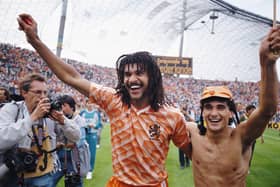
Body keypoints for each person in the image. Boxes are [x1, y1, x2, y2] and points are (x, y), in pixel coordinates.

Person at [18, 14, 190, 187]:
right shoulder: (114, 100)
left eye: (139, 73)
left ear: (152, 77)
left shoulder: (172, 116)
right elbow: (71, 77)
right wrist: (35, 40)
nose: (132, 79)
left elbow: (195, 155)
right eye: (127, 74)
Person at [185, 25, 280, 187]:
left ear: (230, 113)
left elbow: (267, 110)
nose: (214, 113)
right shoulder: (191, 132)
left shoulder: (242, 136)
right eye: (208, 107)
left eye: (221, 107)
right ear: (202, 112)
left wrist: (267, 64)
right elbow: (160, 121)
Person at [0, 73, 80, 187]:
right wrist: (33, 117)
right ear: (24, 92)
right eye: (38, 92)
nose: (43, 96)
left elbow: (76, 136)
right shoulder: (11, 109)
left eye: (45, 92)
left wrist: (63, 121)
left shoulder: (50, 114)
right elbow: (1, 140)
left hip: (44, 176)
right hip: (13, 177)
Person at [53, 95, 90, 187]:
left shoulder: (80, 120)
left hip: (74, 159)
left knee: (74, 183)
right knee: (48, 182)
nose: (62, 108)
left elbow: (79, 142)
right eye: (60, 106)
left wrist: (61, 144)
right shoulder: (56, 119)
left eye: (64, 105)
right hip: (58, 158)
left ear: (72, 107)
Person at [79, 101, 101, 180]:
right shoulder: (82, 113)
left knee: (92, 153)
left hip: (92, 135)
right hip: (83, 135)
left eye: (91, 103)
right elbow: (78, 122)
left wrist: (94, 125)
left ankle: (90, 171)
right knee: (82, 152)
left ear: (93, 104)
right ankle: (82, 169)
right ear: (86, 104)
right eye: (88, 103)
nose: (90, 104)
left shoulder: (96, 113)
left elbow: (99, 124)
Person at [240, 104, 264, 171]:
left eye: (254, 110)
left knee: (250, 154)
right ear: (248, 110)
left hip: (252, 140)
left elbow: (258, 127)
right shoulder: (243, 117)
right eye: (252, 110)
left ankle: (247, 168)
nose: (254, 111)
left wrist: (261, 137)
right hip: (243, 139)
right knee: (241, 153)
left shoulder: (255, 119)